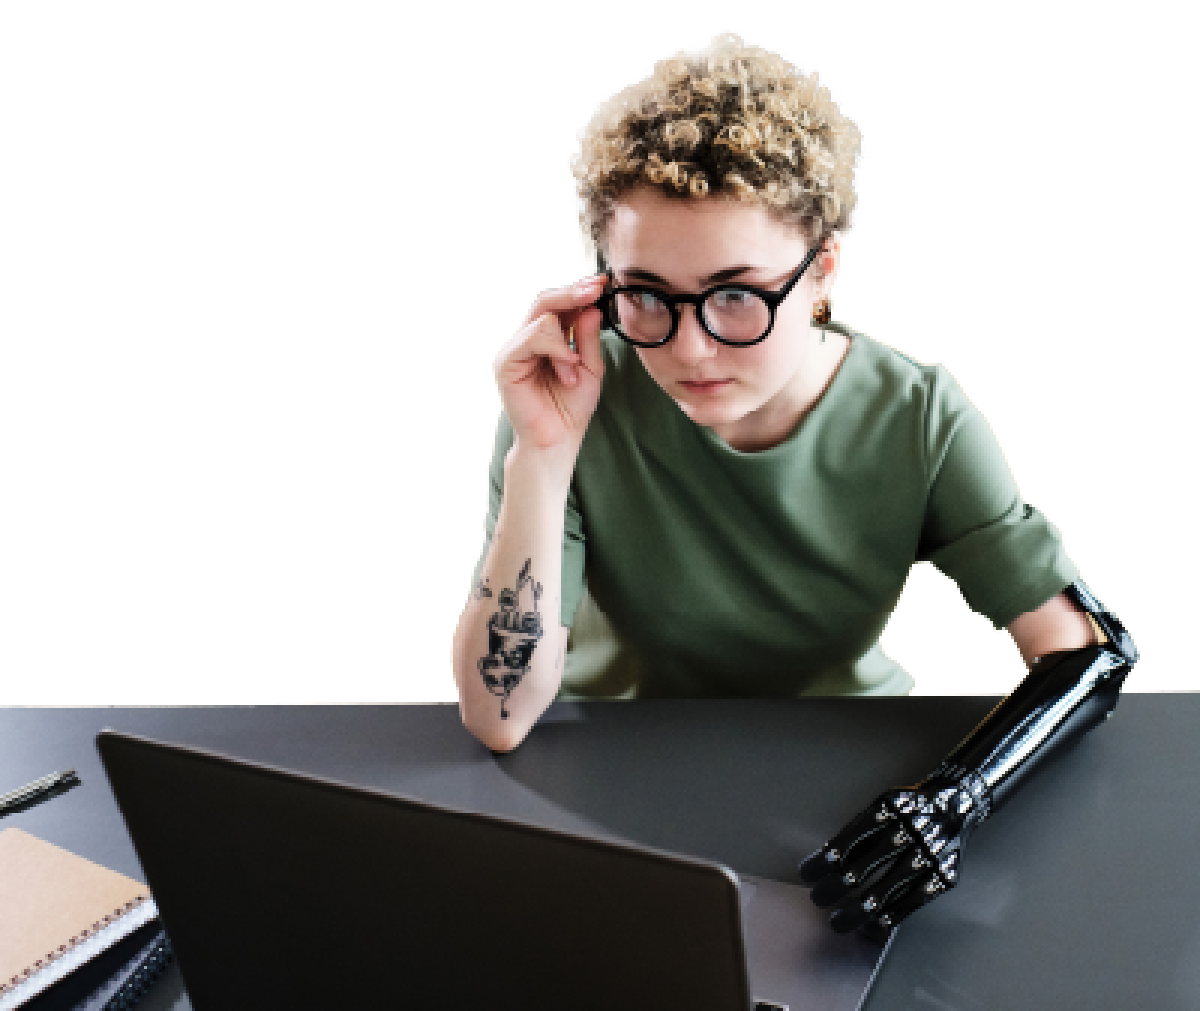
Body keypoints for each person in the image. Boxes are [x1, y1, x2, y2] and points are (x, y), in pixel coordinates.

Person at [450, 30, 1138, 939]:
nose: (690, 347)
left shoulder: (917, 415)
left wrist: (954, 799)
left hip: (846, 804)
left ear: (822, 269)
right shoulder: (577, 394)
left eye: (736, 295)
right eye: (647, 295)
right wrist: (543, 451)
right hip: (611, 786)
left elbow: (1086, 652)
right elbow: (501, 718)